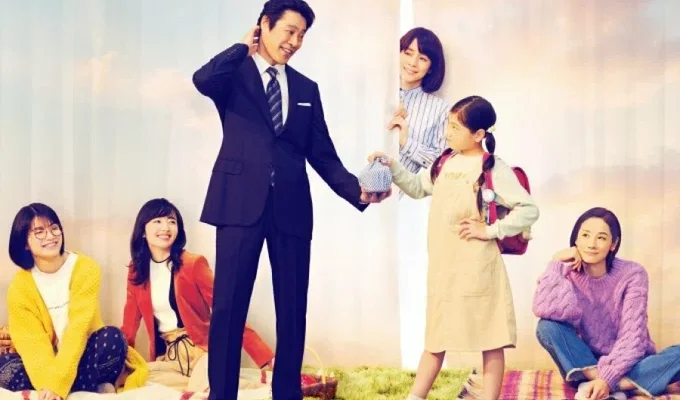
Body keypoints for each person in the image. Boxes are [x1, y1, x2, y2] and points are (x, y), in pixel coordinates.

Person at [191, 0, 390, 398]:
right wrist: (242, 47)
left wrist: (358, 190)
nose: (295, 42)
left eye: (302, 35)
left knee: (292, 307)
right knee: (228, 306)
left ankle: (287, 393)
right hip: (238, 205)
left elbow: (322, 154)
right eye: (289, 31)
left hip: (292, 208)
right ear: (264, 25)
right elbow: (202, 79)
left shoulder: (305, 89)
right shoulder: (233, 75)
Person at [369, 95, 539, 400]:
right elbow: (417, 187)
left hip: (479, 269)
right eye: (448, 125)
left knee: (491, 339)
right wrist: (392, 166)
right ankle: (415, 397)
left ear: (478, 134)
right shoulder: (444, 161)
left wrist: (490, 231)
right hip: (444, 268)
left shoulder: (492, 167)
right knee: (436, 337)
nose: (448, 132)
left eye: (455, 127)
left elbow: (528, 209)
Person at [121, 198, 275, 392]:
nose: (166, 227)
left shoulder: (193, 264)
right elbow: (130, 324)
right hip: (170, 357)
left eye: (172, 221)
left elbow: (226, 310)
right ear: (143, 231)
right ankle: (221, 385)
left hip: (203, 351)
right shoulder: (137, 271)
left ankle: (252, 385)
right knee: (139, 379)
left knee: (202, 382)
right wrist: (121, 361)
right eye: (157, 221)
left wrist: (264, 357)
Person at [0, 203, 147, 400]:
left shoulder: (85, 268)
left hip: (83, 354)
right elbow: (32, 342)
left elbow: (78, 328)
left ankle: (71, 388)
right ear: (25, 242)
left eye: (54, 228)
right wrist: (49, 384)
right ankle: (85, 387)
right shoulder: (20, 286)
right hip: (48, 362)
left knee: (113, 338)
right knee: (5, 367)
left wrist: (58, 384)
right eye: (39, 232)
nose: (50, 236)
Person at [533, 207, 680, 400]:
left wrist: (607, 380)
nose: (591, 244)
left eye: (601, 238)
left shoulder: (633, 274)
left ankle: (609, 386)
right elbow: (544, 309)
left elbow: (633, 338)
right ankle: (618, 384)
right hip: (585, 366)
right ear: (576, 239)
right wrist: (555, 263)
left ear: (613, 244)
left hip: (629, 363)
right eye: (585, 235)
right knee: (546, 326)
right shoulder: (566, 274)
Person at [388, 26, 448, 368]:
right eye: (407, 52)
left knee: (406, 282)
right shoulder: (375, 92)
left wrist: (406, 141)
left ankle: (407, 360)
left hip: (407, 204)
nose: (412, 62)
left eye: (422, 57)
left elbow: (442, 164)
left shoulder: (438, 108)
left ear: (431, 66)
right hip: (358, 194)